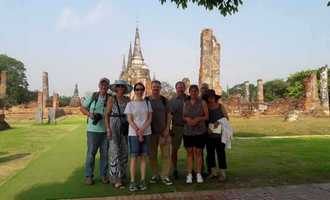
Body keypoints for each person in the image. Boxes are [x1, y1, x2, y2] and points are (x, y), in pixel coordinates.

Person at [80, 78, 111, 185]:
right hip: (93, 130)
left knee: (105, 155)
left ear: (108, 87)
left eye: (106, 85)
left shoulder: (110, 98)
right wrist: (90, 115)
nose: (103, 87)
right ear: (99, 85)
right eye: (102, 85)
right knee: (91, 154)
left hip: (106, 130)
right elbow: (82, 108)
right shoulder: (93, 96)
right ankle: (88, 176)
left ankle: (104, 175)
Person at [124, 82, 153, 192]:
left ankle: (142, 180)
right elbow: (129, 120)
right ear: (134, 91)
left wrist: (142, 130)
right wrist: (138, 131)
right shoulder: (130, 104)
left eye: (141, 89)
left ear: (144, 90)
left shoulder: (147, 103)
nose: (139, 91)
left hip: (146, 132)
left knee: (143, 157)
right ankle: (132, 181)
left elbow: (150, 119)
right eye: (137, 89)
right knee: (134, 157)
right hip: (133, 133)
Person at [105, 80, 132, 189]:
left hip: (125, 126)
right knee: (114, 151)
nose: (120, 88)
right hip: (114, 125)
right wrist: (108, 129)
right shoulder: (112, 99)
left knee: (124, 152)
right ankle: (116, 179)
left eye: (122, 86)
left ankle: (122, 176)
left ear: (125, 89)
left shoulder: (128, 100)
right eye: (119, 86)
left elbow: (131, 114)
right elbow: (106, 115)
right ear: (116, 88)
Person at [148, 80, 173, 186]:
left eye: (158, 87)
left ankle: (165, 175)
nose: (156, 89)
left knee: (166, 154)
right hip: (150, 132)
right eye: (154, 87)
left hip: (163, 132)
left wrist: (167, 129)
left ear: (160, 88)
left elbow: (169, 115)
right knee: (152, 155)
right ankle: (155, 174)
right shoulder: (146, 100)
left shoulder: (164, 100)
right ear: (151, 88)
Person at [183, 85, 209, 184]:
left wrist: (198, 119)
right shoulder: (186, 103)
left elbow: (206, 116)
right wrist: (187, 119)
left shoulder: (202, 103)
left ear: (198, 92)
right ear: (189, 92)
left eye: (195, 91)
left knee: (198, 152)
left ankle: (198, 174)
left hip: (200, 130)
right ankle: (189, 174)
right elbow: (183, 116)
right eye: (192, 91)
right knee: (189, 153)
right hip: (188, 130)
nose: (193, 93)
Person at [205, 89, 229, 181]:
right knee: (210, 154)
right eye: (209, 97)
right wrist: (207, 127)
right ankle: (213, 172)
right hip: (209, 133)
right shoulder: (205, 106)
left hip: (219, 134)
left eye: (212, 97)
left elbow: (226, 118)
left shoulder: (220, 106)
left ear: (215, 98)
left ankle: (222, 172)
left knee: (221, 153)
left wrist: (218, 122)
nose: (210, 99)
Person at [169, 81, 187, 179]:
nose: (180, 89)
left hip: (189, 127)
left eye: (182, 87)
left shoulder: (189, 99)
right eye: (178, 87)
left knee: (191, 149)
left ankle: (192, 169)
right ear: (176, 88)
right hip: (177, 127)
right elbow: (169, 116)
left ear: (185, 88)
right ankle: (174, 169)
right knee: (175, 149)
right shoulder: (172, 101)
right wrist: (169, 128)